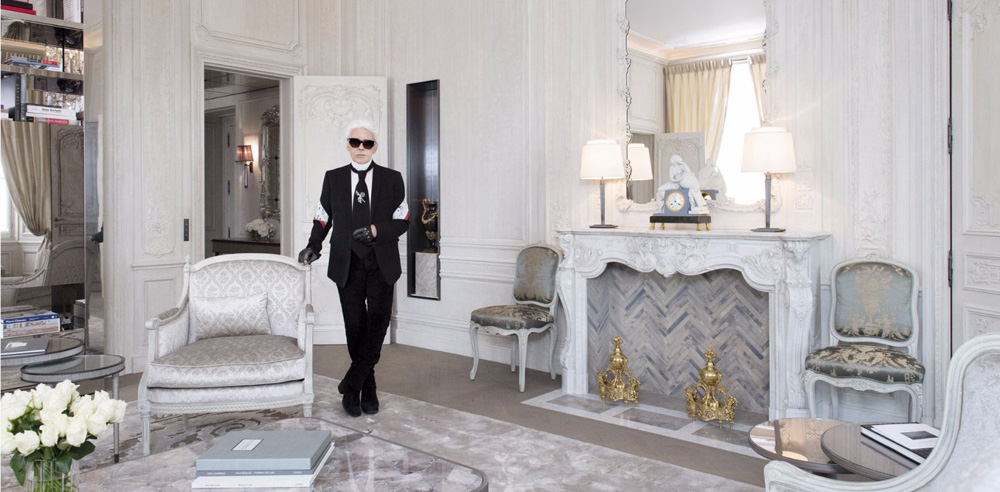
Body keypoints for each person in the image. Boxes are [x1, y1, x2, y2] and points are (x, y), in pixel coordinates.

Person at [298, 121, 409, 417]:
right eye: (355, 142)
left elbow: (403, 220)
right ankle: (365, 386)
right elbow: (323, 217)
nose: (361, 148)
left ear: (375, 148)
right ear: (348, 145)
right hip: (346, 261)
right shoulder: (333, 178)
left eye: (367, 143)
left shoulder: (392, 179)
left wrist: (376, 230)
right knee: (355, 325)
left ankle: (352, 383)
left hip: (382, 261)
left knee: (379, 321)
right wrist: (314, 245)